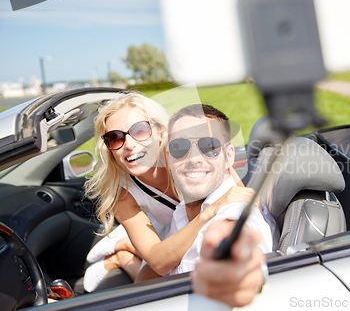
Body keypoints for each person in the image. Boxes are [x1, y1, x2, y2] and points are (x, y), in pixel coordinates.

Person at [83, 92, 255, 292]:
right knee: (143, 292)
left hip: (185, 229)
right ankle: (125, 250)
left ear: (159, 131)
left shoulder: (186, 150)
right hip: (162, 235)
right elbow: (158, 260)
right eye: (115, 138)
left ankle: (129, 248)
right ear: (108, 148)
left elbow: (244, 198)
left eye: (139, 131)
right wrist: (210, 211)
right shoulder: (121, 193)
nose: (129, 145)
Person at [137, 104, 273, 279]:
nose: (194, 159)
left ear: (229, 157)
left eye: (209, 146)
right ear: (169, 159)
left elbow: (237, 256)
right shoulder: (183, 212)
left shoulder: (236, 214)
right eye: (180, 147)